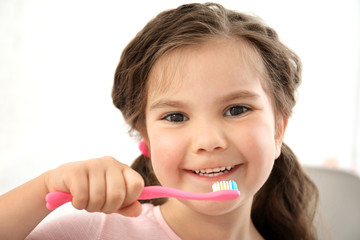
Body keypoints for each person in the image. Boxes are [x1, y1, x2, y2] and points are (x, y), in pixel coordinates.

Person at [0, 3, 318, 240]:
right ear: (146, 138)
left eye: (237, 110)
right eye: (176, 116)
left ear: (279, 129)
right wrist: (46, 186)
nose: (208, 140)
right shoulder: (95, 232)